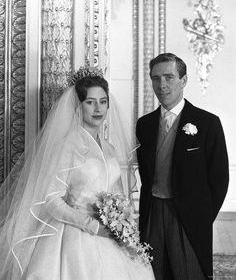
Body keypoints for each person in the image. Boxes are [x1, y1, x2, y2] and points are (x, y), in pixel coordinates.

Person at [0, 68, 155, 280]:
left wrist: (122, 225)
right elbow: (51, 200)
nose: (97, 108)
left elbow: (118, 194)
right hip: (74, 237)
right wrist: (91, 226)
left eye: (102, 101)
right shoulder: (67, 146)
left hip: (111, 235)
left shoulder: (110, 148)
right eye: (90, 102)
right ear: (78, 106)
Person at [136, 53, 229, 280]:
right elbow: (146, 174)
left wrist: (201, 215)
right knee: (153, 273)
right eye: (156, 78)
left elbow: (219, 179)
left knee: (189, 273)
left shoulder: (208, 123)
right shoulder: (144, 125)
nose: (162, 85)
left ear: (184, 80)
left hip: (189, 216)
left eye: (169, 77)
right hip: (153, 214)